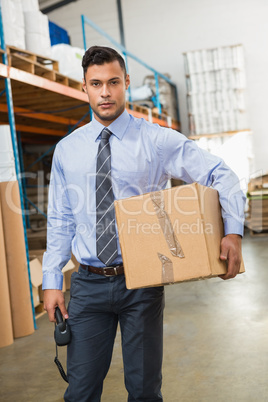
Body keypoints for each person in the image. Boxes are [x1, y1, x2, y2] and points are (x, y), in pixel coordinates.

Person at [42, 45, 245, 402]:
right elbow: (61, 219)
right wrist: (51, 280)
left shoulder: (156, 140)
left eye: (113, 82)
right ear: (84, 88)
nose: (105, 92)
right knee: (81, 391)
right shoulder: (67, 150)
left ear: (126, 83)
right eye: (96, 84)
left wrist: (232, 230)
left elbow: (220, 173)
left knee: (144, 390)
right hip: (88, 284)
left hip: (143, 283)